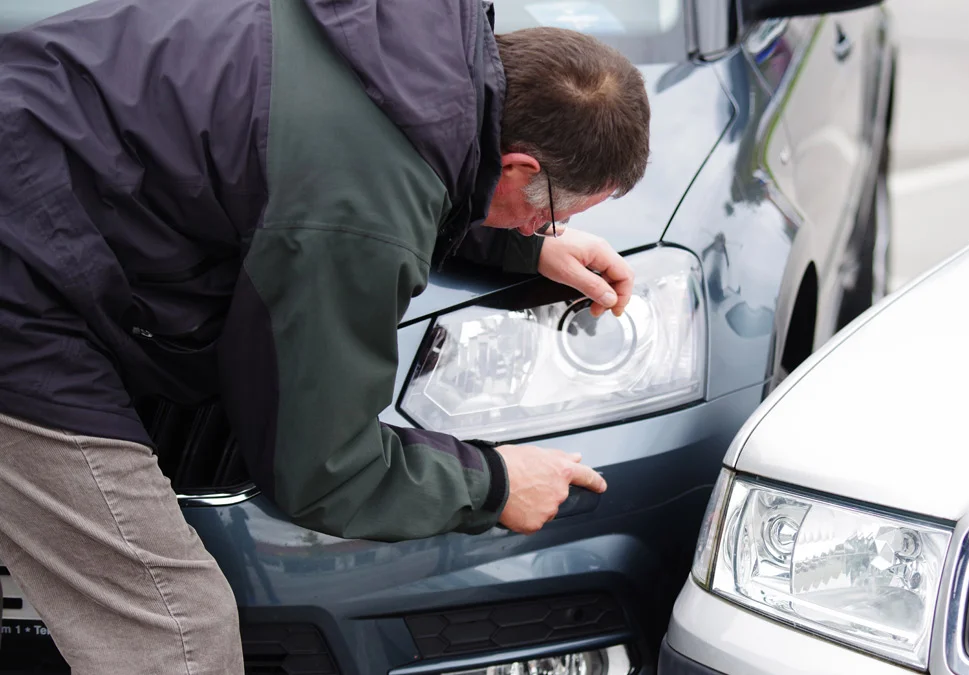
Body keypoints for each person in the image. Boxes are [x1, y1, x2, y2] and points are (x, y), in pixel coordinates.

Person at [0, 0, 651, 672]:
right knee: (176, 635)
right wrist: (494, 482)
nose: (541, 226)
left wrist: (515, 246)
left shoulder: (406, 43)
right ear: (515, 167)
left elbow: (309, 166)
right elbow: (322, 466)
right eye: (550, 213)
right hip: (23, 291)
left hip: (33, 160)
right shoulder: (359, 203)